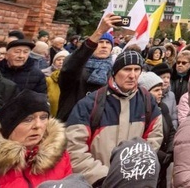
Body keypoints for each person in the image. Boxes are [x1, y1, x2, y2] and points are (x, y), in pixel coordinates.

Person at [66, 50, 164, 186]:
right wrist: (104, 177)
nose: (132, 75)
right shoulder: (90, 104)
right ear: (115, 71)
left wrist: (134, 173)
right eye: (127, 69)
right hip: (97, 182)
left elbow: (154, 139)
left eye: (137, 69)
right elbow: (75, 149)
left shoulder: (147, 101)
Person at [56, 14, 119, 121]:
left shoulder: (114, 73)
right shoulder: (78, 67)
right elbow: (70, 67)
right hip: (72, 123)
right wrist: (99, 32)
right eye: (100, 42)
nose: (104, 46)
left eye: (108, 43)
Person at [138, 72, 175, 188]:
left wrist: (170, 152)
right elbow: (139, 139)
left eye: (161, 90)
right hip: (147, 164)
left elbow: (171, 130)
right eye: (156, 90)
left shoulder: (163, 107)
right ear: (145, 92)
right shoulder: (139, 112)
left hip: (163, 165)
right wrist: (160, 155)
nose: (160, 93)